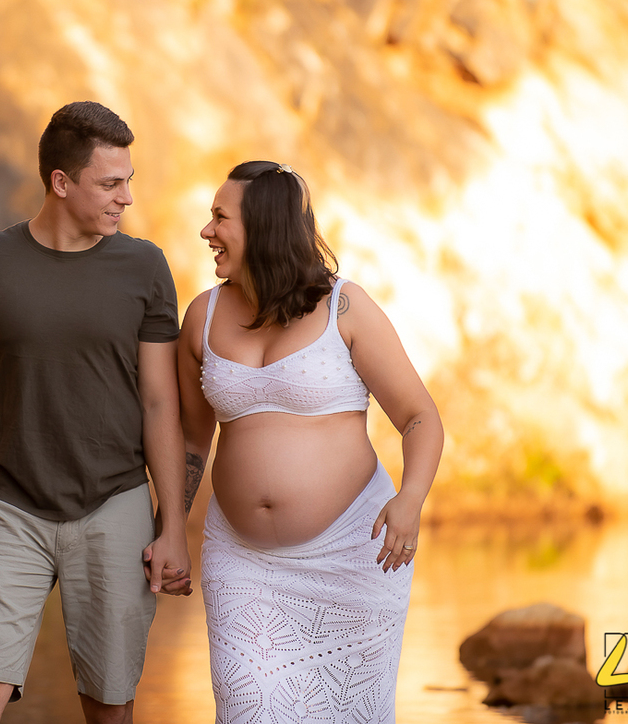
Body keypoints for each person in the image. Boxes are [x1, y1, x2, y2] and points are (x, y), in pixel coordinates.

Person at [0, 101, 192, 724]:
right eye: (111, 184)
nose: (126, 199)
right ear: (61, 183)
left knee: (109, 706)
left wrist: (171, 525)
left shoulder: (144, 266)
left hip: (115, 504)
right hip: (9, 507)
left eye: (129, 182)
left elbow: (160, 401)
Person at [178, 161, 443, 723]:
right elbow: (191, 441)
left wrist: (410, 501)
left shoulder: (344, 307)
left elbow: (419, 417)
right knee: (247, 707)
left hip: (351, 555)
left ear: (264, 228)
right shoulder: (202, 316)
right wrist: (169, 526)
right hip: (241, 562)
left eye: (220, 218)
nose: (207, 232)